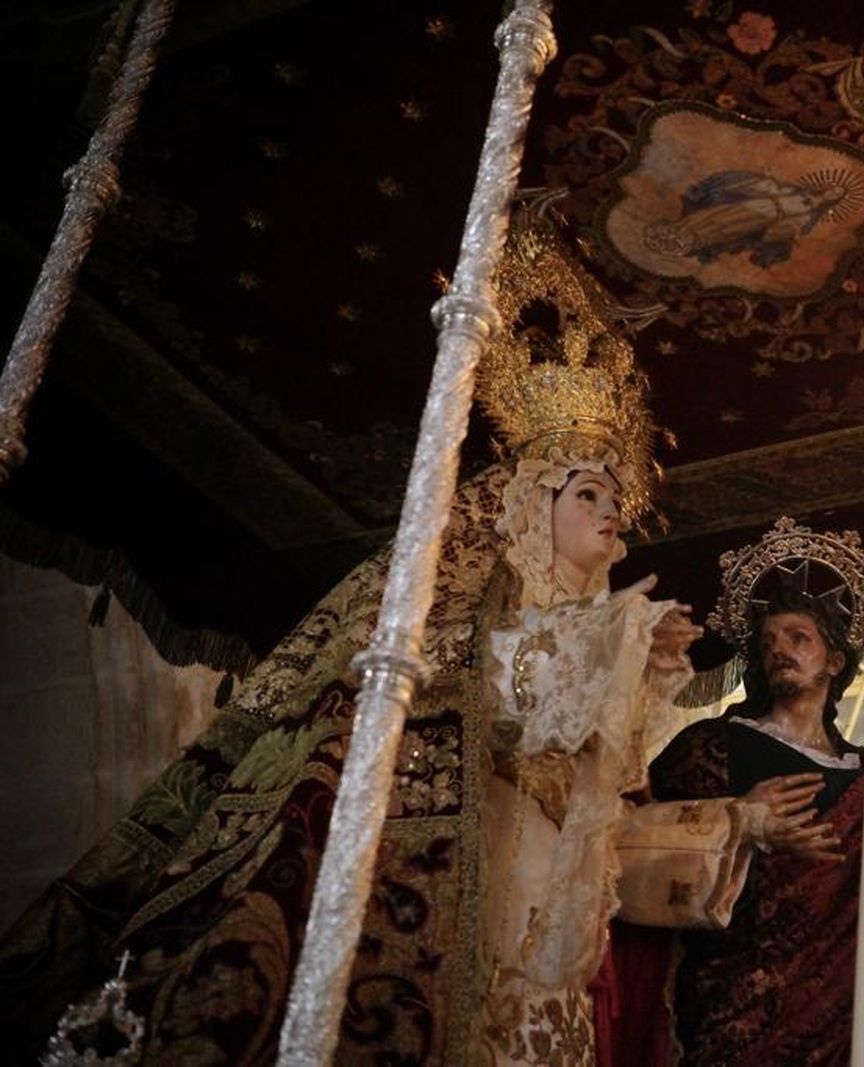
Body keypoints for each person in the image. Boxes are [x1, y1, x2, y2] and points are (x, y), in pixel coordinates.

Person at [0, 217, 764, 1065]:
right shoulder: (473, 602)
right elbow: (490, 690)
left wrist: (643, 677)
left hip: (550, 889)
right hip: (479, 865)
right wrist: (610, 642)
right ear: (529, 505)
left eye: (613, 499)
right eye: (588, 491)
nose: (611, 512)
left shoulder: (594, 621)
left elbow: (601, 787)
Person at [639, 578, 864, 1066]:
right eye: (769, 642)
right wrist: (736, 819)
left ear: (835, 662)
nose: (780, 650)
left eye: (798, 637)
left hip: (841, 1022)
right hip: (733, 1001)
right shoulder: (713, 746)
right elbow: (634, 834)